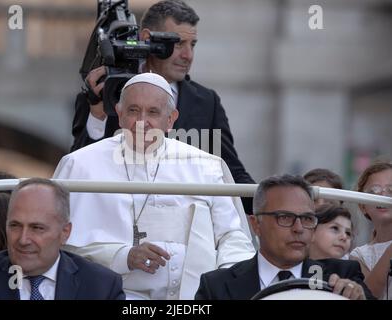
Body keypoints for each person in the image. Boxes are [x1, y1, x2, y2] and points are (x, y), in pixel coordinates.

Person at [53, 72, 255, 300]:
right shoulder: (80, 166)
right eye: (133, 110)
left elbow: (232, 237)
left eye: (153, 112)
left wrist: (225, 283)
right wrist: (123, 256)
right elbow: (59, 247)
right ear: (119, 114)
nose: (142, 122)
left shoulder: (205, 166)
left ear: (170, 119)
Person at [71, 0, 255, 212]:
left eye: (192, 45)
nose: (188, 55)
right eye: (178, 44)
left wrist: (273, 205)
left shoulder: (207, 102)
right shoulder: (104, 91)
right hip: (116, 223)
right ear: (147, 39)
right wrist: (97, 114)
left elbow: (231, 174)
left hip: (187, 232)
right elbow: (79, 170)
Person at [195, 174, 374, 300]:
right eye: (285, 217)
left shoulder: (343, 277)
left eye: (307, 219)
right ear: (256, 224)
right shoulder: (216, 286)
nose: (298, 228)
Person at [0, 178, 125, 300]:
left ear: (65, 232)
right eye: (15, 226)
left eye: (37, 228)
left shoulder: (101, 286)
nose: (23, 239)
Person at [350, 161, 392, 300]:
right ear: (363, 206)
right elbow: (370, 294)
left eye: (391, 190)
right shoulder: (360, 255)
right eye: (373, 191)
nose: (382, 195)